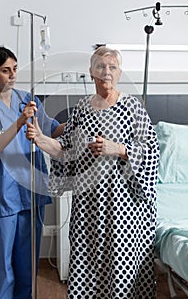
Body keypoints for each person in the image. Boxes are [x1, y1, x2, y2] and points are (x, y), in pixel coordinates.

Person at [26, 46, 160, 299]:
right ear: (91, 72)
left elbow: (152, 152)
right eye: (100, 67)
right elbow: (65, 149)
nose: (106, 72)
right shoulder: (80, 110)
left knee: (121, 269)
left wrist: (118, 148)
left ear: (119, 72)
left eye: (112, 67)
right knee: (87, 265)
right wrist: (40, 138)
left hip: (125, 210)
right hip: (88, 206)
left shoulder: (133, 107)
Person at [0, 45, 64, 299]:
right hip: (2, 195)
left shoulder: (27, 99)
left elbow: (53, 129)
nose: (12, 75)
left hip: (29, 192)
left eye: (14, 69)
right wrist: (20, 121)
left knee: (27, 267)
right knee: (3, 267)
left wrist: (85, 117)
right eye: (4, 70)